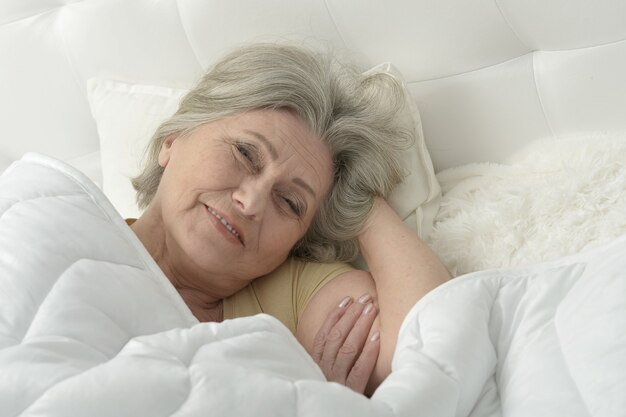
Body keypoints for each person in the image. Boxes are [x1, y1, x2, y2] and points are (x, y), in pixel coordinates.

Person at [128, 43, 451, 396]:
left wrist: (358, 202)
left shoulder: (293, 293)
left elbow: (434, 345)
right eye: (246, 153)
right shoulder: (72, 224)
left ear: (295, 241)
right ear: (173, 140)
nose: (250, 202)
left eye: (290, 203)